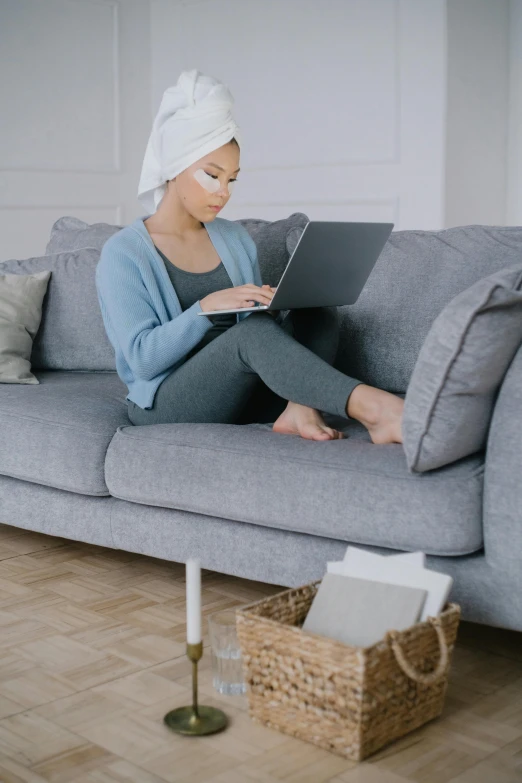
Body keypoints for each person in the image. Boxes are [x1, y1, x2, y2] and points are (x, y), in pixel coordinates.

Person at [96, 69, 404, 443]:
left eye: (232, 179)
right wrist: (206, 308)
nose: (223, 192)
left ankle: (299, 409)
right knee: (252, 335)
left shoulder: (233, 236)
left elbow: (253, 329)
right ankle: (377, 409)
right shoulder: (124, 253)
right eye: (212, 175)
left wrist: (270, 307)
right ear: (174, 168)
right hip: (167, 404)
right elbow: (142, 360)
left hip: (243, 394)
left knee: (318, 311)